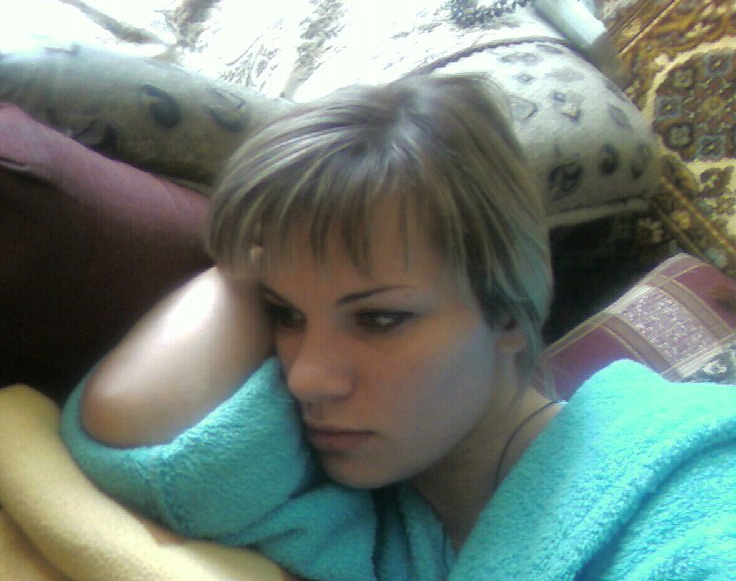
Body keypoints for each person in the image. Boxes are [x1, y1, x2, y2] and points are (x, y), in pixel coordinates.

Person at [61, 74, 736, 580]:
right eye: (286, 314)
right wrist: (250, 261)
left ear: (507, 311)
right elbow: (138, 426)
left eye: (380, 318)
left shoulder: (689, 488)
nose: (306, 378)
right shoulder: (382, 526)